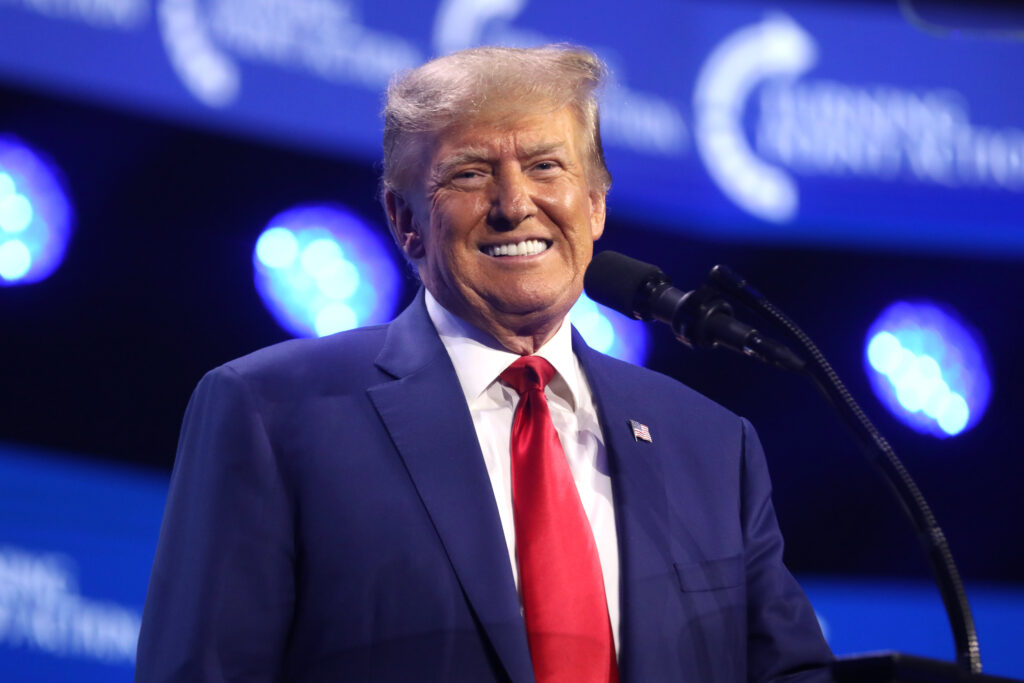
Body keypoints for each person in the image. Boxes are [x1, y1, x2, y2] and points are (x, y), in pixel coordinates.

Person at [136, 45, 833, 682]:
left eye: (545, 166)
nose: (514, 205)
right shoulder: (272, 412)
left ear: (594, 205)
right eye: (470, 173)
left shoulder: (712, 446)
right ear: (404, 220)